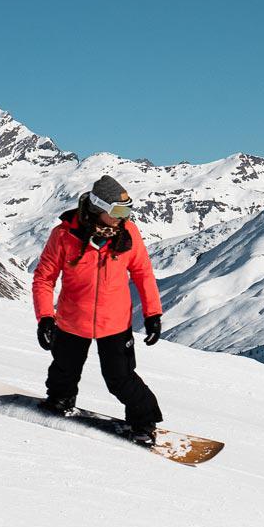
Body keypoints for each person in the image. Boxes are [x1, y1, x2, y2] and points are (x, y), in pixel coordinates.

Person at [31, 174, 166, 445]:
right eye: (118, 211)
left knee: (120, 378)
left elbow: (143, 274)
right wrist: (45, 317)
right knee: (64, 370)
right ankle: (60, 401)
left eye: (128, 210)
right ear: (98, 207)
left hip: (114, 322)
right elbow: (44, 278)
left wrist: (153, 313)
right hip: (72, 319)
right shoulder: (64, 235)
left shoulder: (128, 234)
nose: (123, 217)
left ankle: (144, 422)